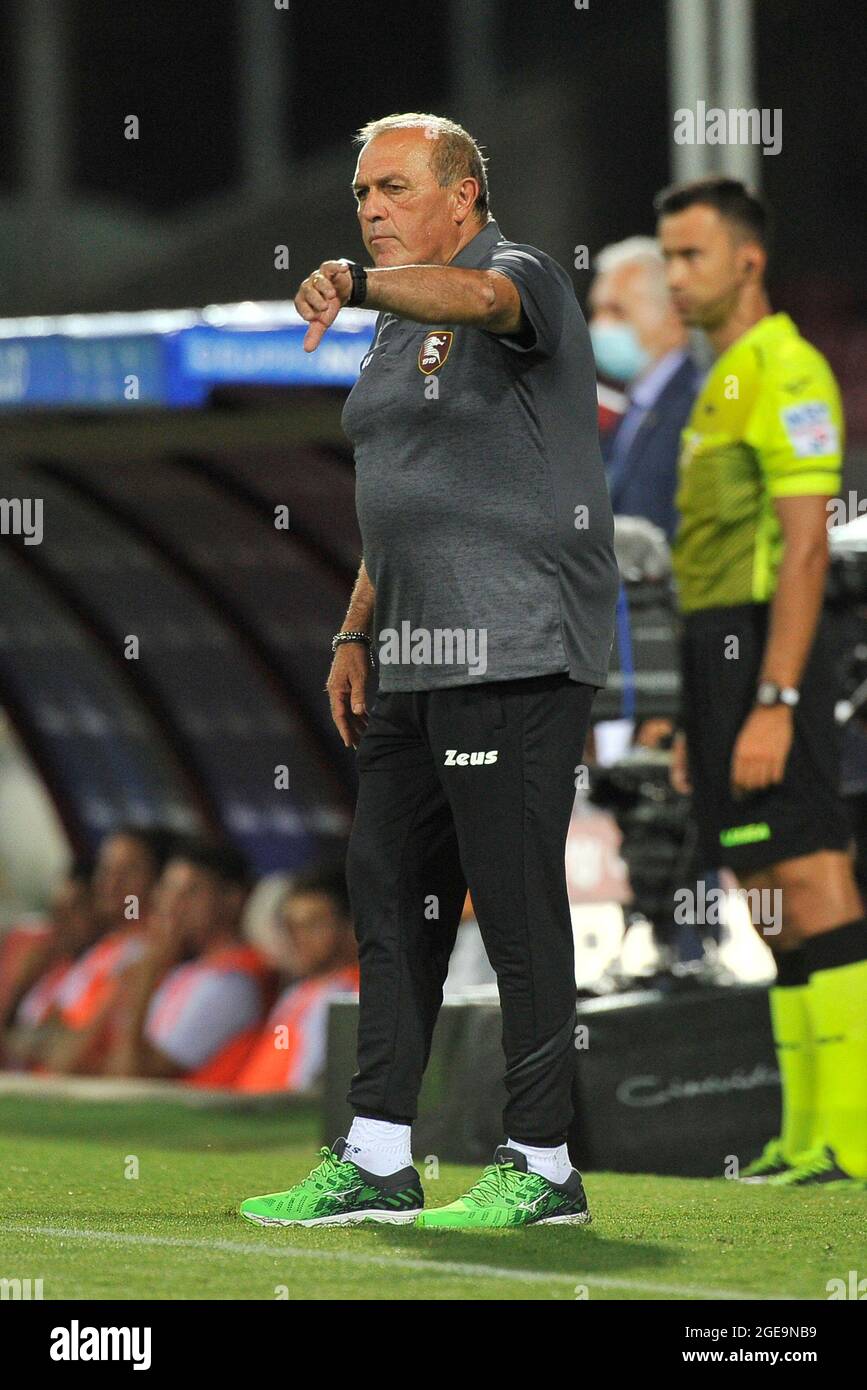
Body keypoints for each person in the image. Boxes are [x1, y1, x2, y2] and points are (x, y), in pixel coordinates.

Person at [240, 111, 618, 1230]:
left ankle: (543, 1164)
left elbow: (486, 305)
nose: (369, 210)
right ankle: (376, 1156)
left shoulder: (517, 276)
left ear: (462, 196)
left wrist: (359, 280)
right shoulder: (394, 326)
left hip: (517, 644)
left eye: (395, 188)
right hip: (410, 652)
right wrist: (359, 628)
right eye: (361, 193)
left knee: (511, 899)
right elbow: (403, 497)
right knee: (387, 897)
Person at [657, 175, 867, 1186]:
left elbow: (806, 553)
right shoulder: (725, 374)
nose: (673, 276)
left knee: (815, 874)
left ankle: (852, 1138)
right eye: (665, 258)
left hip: (765, 648)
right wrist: (704, 714)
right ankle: (802, 1135)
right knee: (762, 883)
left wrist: (777, 699)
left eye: (690, 255)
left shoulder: (787, 369)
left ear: (748, 260)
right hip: (717, 651)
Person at [103, 838, 272, 1085]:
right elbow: (112, 1065)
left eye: (191, 892)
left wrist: (147, 975)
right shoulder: (184, 970)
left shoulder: (232, 982)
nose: (173, 904)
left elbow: (132, 1077)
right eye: (168, 890)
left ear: (232, 899)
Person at [589, 236, 700, 540]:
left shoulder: (697, 404)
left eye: (617, 310)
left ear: (673, 313)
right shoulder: (631, 405)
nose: (600, 326)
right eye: (596, 311)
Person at [40, 827, 175, 1075]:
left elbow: (73, 1053)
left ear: (158, 883)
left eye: (128, 871)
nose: (111, 882)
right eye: (106, 869)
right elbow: (51, 1025)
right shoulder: (107, 945)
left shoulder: (147, 952)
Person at [233, 864, 358, 1094]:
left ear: (350, 925)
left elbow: (311, 1083)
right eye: (292, 926)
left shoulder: (353, 996)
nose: (298, 937)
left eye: (313, 924)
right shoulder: (297, 993)